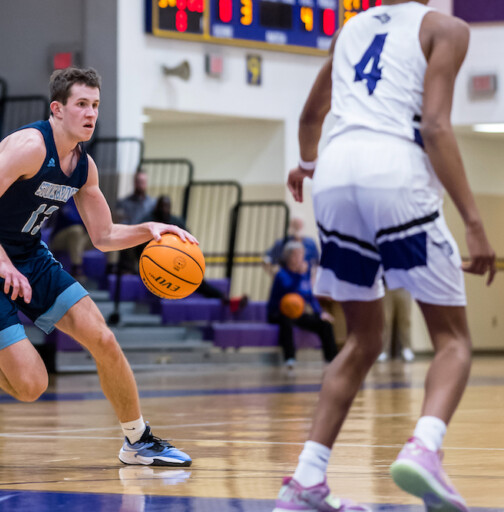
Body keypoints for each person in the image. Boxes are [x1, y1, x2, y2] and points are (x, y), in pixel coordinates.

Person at [274, 2, 497, 511]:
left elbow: (311, 115)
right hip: (394, 169)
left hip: (334, 173)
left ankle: (305, 483)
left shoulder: (349, 28)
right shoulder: (446, 27)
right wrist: (475, 223)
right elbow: (436, 127)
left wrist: (307, 166)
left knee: (362, 338)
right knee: (453, 341)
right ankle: (425, 448)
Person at [0, 67, 194, 467]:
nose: (90, 113)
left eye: (95, 105)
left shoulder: (84, 167)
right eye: (81, 104)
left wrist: (150, 229)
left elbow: (104, 235)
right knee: (31, 386)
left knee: (104, 339)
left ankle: (137, 441)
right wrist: (2, 263)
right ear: (57, 109)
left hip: (29, 254)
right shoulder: (30, 147)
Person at [266, 241, 337, 368]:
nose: (301, 258)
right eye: (297, 255)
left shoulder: (305, 274)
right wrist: (299, 275)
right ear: (289, 257)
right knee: (286, 321)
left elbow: (310, 297)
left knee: (325, 324)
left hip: (298, 313)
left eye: (302, 255)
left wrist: (320, 313)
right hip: (278, 312)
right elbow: (290, 291)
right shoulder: (281, 274)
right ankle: (290, 358)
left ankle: (331, 359)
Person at [378, 287, 415, 362]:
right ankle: (384, 350)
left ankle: (406, 348)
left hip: (403, 287)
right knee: (386, 319)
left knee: (405, 319)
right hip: (386, 288)